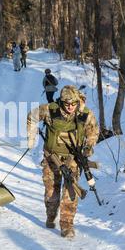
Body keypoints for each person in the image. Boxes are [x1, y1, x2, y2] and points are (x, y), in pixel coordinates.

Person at [27, 85, 99, 238]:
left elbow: (93, 132)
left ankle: (67, 225)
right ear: (62, 101)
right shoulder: (50, 109)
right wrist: (31, 137)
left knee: (70, 194)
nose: (71, 107)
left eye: (74, 104)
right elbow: (31, 116)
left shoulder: (85, 114)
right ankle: (51, 214)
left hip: (72, 159)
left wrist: (88, 148)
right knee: (51, 193)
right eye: (67, 104)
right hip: (52, 158)